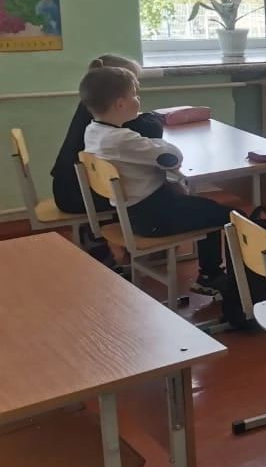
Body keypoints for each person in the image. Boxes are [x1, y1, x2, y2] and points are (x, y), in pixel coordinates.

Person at [80, 66, 231, 298]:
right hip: (154, 218)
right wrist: (159, 144)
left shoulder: (93, 131)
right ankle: (211, 275)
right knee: (226, 215)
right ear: (120, 104)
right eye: (134, 94)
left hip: (131, 215)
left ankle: (212, 272)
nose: (138, 99)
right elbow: (172, 157)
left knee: (202, 206)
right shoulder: (122, 140)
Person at [51, 54, 164, 215]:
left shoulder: (93, 107)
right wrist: (152, 117)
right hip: (78, 195)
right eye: (132, 89)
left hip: (67, 187)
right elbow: (152, 130)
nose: (136, 91)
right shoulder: (110, 118)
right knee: (153, 187)